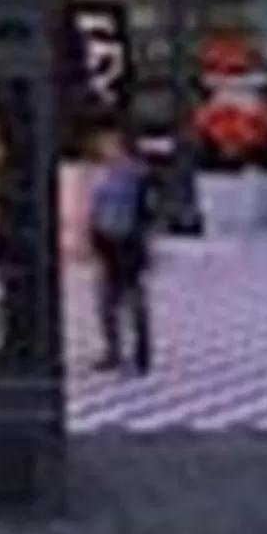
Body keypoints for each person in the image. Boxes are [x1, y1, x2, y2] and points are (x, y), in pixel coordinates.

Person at [85, 126, 155, 374]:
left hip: (128, 241)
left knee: (133, 299)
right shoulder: (101, 173)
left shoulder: (135, 174)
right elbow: (95, 207)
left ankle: (140, 354)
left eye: (109, 143)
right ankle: (113, 350)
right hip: (106, 240)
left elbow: (145, 209)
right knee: (106, 300)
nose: (104, 148)